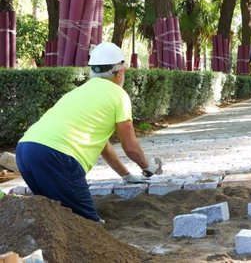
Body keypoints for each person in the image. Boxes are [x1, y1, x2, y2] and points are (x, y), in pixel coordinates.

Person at [15, 42, 163, 223]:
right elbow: (130, 146)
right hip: (58, 157)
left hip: (25, 151)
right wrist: (147, 168)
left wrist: (126, 176)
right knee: (89, 227)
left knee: (57, 216)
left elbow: (104, 147)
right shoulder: (119, 95)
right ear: (120, 72)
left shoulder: (79, 92)